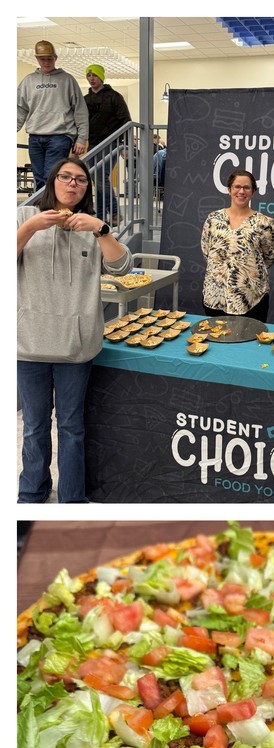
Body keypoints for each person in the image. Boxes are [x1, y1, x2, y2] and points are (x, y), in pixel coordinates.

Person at [17, 156, 132, 503]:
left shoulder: (93, 227)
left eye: (80, 180)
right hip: (28, 344)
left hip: (77, 348)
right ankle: (31, 493)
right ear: (53, 181)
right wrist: (30, 228)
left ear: (86, 190)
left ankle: (71, 499)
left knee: (71, 428)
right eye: (66, 177)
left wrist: (101, 230)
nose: (72, 184)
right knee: (34, 427)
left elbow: (123, 268)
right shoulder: (23, 216)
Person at [200, 168, 274, 321]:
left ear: (252, 192)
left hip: (252, 299)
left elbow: (269, 258)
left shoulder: (264, 223)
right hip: (216, 297)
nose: (241, 191)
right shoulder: (213, 219)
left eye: (246, 187)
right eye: (237, 187)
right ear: (229, 190)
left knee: (251, 342)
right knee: (215, 340)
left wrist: (246, 272)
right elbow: (207, 252)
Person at [17, 40, 89, 192]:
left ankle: (51, 211)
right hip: (35, 136)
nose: (46, 62)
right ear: (37, 59)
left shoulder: (67, 80)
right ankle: (44, 211)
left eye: (49, 58)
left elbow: (80, 110)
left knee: (51, 175)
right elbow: (19, 109)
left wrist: (82, 138)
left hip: (60, 136)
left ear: (55, 58)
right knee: (39, 177)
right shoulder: (28, 81)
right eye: (42, 58)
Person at [83, 64, 131, 226]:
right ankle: (102, 216)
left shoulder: (114, 97)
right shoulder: (86, 100)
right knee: (97, 178)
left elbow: (126, 121)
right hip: (93, 144)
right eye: (89, 75)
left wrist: (125, 145)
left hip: (112, 142)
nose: (91, 78)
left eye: (94, 75)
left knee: (100, 177)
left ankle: (115, 211)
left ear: (101, 77)